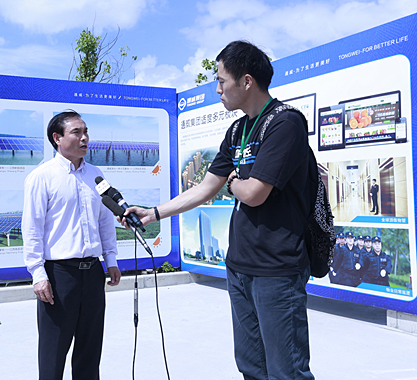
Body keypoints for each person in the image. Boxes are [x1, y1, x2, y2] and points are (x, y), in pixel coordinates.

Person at [123, 40, 314, 379]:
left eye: (222, 80)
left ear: (247, 81)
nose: (217, 89)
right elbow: (205, 187)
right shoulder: (238, 130)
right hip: (239, 266)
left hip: (277, 269)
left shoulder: (285, 123)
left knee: (286, 371)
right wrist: (153, 213)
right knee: (251, 367)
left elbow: (253, 193)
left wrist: (235, 183)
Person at [22, 110, 121, 380]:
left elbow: (105, 221)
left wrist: (111, 260)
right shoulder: (42, 177)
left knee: (90, 350)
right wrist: (38, 274)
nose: (84, 138)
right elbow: (32, 229)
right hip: (59, 276)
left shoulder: (96, 175)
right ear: (57, 138)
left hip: (93, 273)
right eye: (76, 132)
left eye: (86, 132)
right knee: (53, 352)